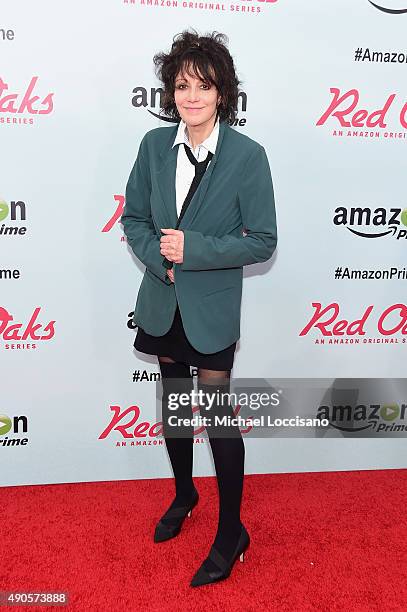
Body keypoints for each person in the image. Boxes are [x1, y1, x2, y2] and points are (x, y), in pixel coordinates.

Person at [121, 28, 277, 587]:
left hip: (210, 308)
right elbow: (134, 219)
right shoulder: (151, 147)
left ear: (222, 93)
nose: (192, 96)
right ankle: (185, 493)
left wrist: (195, 251)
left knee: (216, 415)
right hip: (162, 302)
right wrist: (159, 261)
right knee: (174, 403)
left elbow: (262, 241)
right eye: (183, 84)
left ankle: (232, 529)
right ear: (171, 91)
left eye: (204, 86)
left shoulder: (247, 156)